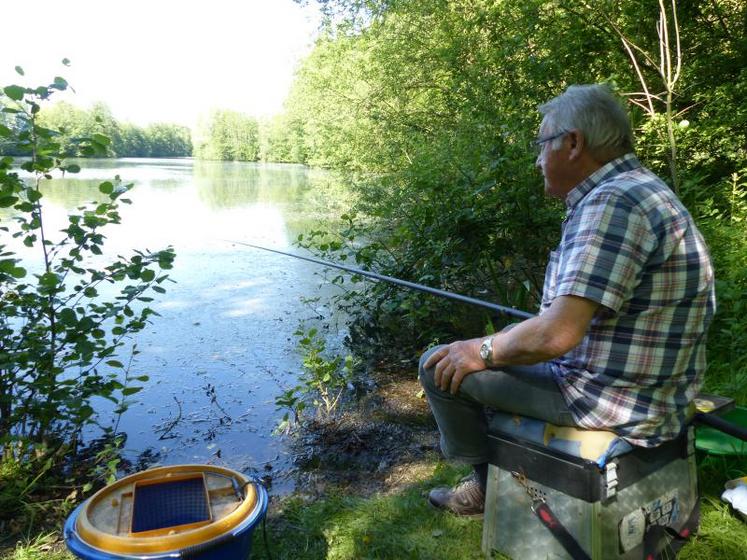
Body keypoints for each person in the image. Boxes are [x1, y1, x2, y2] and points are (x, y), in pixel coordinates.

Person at [419, 83, 716, 517]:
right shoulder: (640, 189)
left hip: (611, 400)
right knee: (499, 342)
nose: (538, 159)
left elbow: (558, 334)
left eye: (542, 144)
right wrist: (503, 344)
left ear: (573, 143)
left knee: (438, 365)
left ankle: (483, 486)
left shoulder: (613, 202)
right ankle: (495, 470)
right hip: (652, 390)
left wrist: (480, 350)